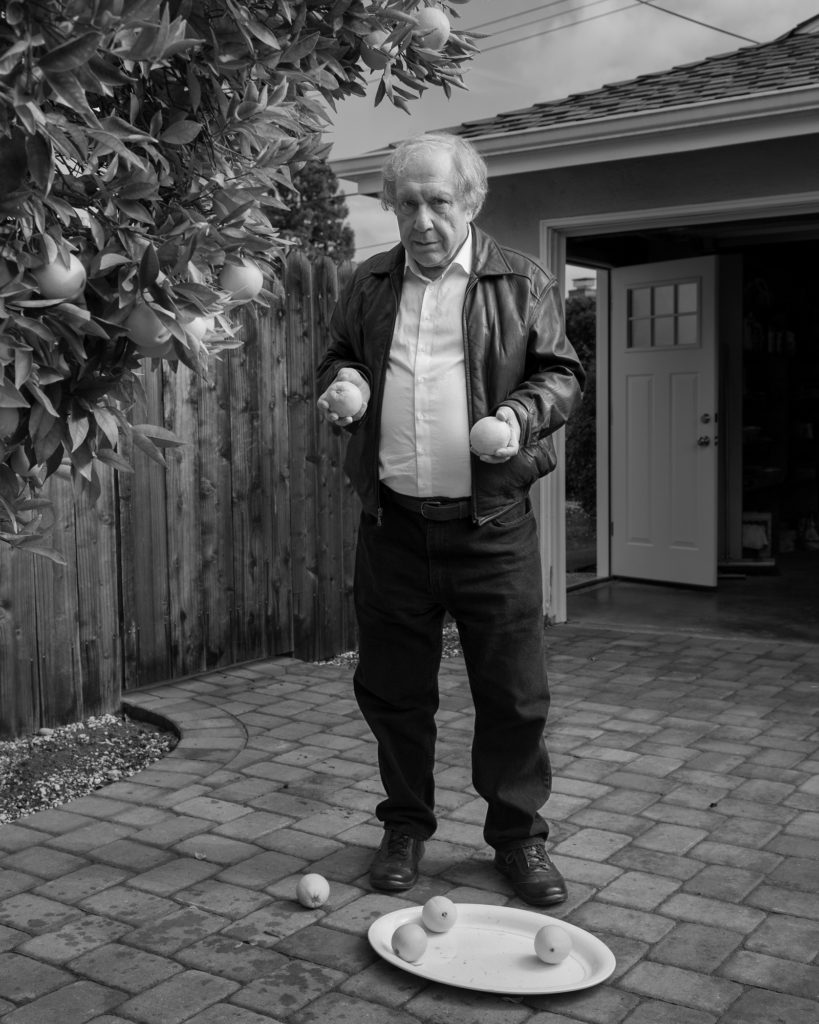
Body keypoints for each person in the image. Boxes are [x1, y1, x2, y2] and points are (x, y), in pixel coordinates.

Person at [316, 131, 584, 906]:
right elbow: (340, 354)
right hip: (391, 526)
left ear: (470, 202)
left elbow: (561, 375)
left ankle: (517, 840)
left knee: (512, 694)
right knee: (394, 692)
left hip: (490, 526)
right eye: (407, 203)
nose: (423, 219)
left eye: (438, 201)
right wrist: (345, 386)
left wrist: (516, 415)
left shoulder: (521, 281)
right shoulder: (369, 282)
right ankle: (404, 826)